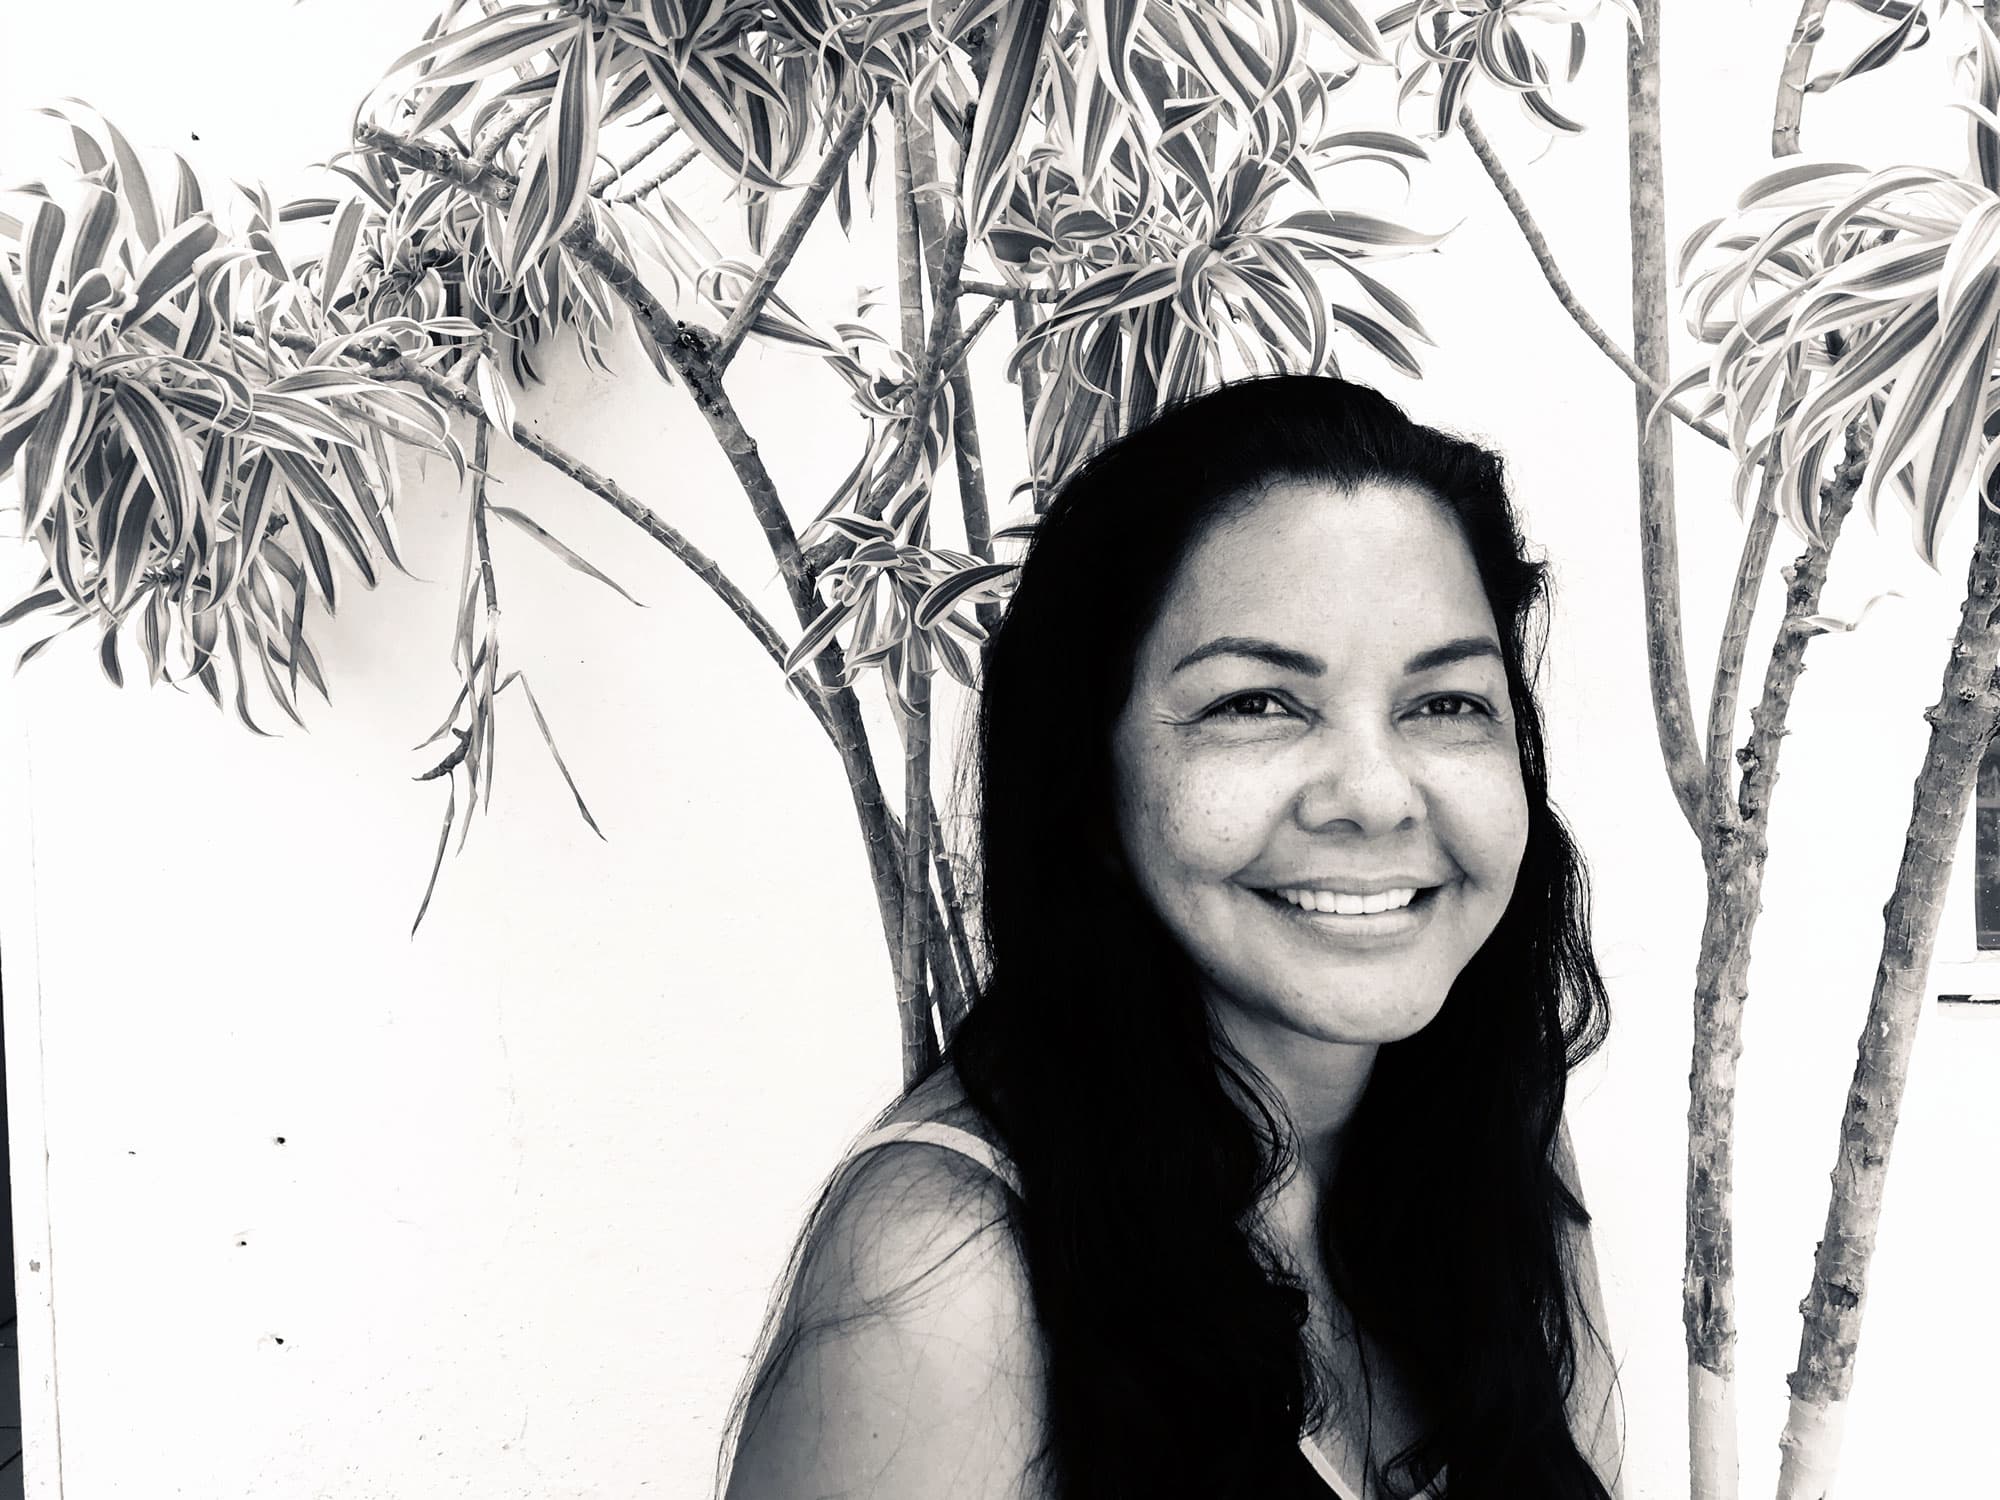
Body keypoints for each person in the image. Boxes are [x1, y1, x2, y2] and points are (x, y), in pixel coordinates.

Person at [717, 374, 1626, 1500]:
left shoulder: (1492, 1138)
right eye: (1253, 703)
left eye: (1444, 704)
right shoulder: (944, 1281)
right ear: (1092, 783)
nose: (1375, 796)